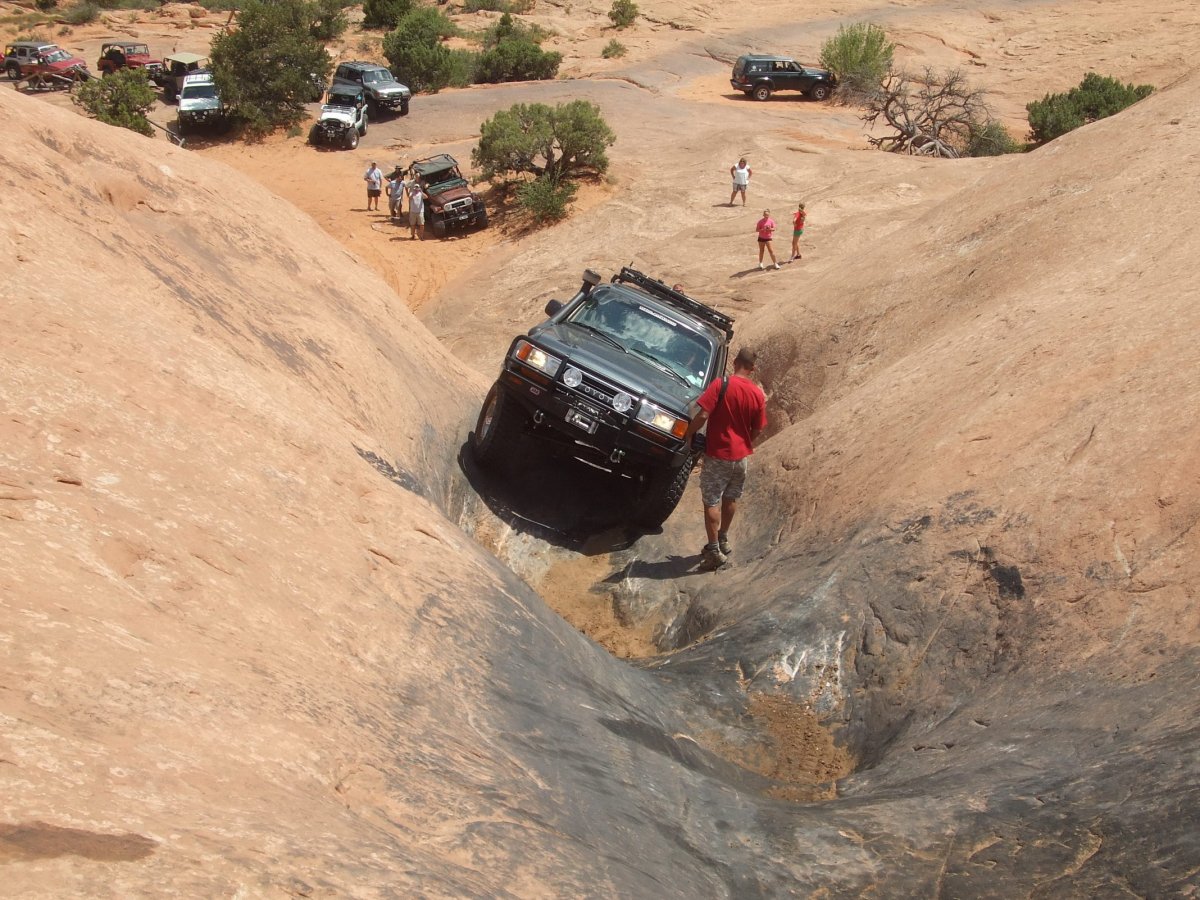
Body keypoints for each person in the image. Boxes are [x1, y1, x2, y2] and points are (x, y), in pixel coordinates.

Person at [686, 348, 767, 570]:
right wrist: (744, 441)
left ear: (734, 362)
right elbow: (758, 429)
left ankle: (713, 550)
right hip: (741, 457)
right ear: (752, 368)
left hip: (718, 454)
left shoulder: (722, 384)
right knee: (731, 498)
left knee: (711, 501)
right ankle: (722, 538)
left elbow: (703, 414)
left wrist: (689, 434)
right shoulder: (758, 394)